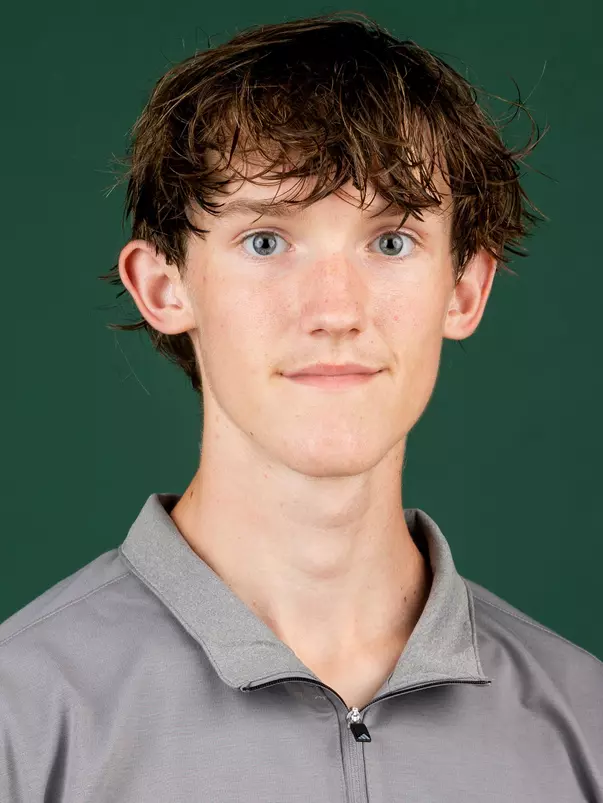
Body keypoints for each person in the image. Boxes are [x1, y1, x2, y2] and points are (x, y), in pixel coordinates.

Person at [1, 11, 602, 802]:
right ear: (164, 286)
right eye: (265, 240)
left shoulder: (584, 724)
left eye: (390, 241)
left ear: (463, 289)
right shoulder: (20, 715)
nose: (334, 309)